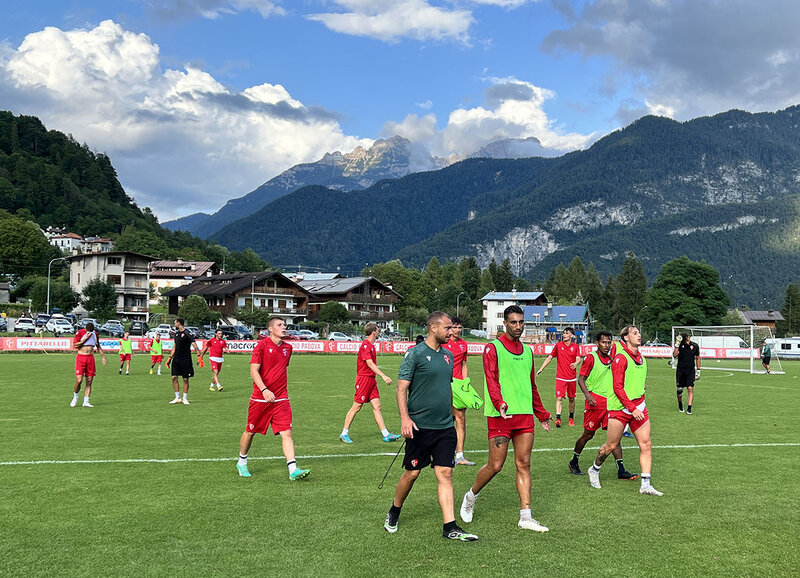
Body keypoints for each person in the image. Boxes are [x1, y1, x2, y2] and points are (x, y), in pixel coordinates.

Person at [384, 312, 477, 542]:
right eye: (447, 328)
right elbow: (401, 389)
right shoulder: (415, 354)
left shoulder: (448, 355)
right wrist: (405, 419)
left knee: (445, 473)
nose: (451, 331)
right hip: (419, 427)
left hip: (445, 427)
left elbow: (445, 387)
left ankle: (450, 526)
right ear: (434, 328)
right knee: (412, 473)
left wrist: (457, 407)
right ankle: (394, 510)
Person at [459, 305, 551, 532]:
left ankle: (526, 516)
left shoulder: (528, 352)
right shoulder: (493, 348)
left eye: (521, 322)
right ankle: (471, 496)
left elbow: (531, 386)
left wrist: (542, 414)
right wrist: (499, 402)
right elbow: (491, 379)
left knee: (524, 464)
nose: (518, 327)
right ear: (505, 323)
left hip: (524, 416)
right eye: (513, 322)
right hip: (500, 416)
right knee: (496, 465)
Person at [587, 325, 663, 496]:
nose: (639, 335)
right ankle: (594, 469)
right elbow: (617, 388)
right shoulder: (620, 358)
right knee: (611, 445)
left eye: (639, 333)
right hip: (620, 408)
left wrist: (640, 401)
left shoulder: (643, 359)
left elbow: (638, 384)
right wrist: (631, 408)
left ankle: (645, 484)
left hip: (639, 406)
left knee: (646, 444)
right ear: (626, 338)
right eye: (634, 333)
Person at [236, 317, 310, 481]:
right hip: (260, 399)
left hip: (281, 398)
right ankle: (242, 461)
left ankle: (293, 469)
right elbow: (254, 371)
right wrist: (264, 390)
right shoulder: (261, 346)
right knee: (250, 432)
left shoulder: (287, 348)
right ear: (270, 329)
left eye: (284, 324)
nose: (284, 327)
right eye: (280, 325)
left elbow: (280, 369)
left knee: (287, 433)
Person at [568, 331, 637, 480]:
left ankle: (621, 470)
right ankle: (574, 461)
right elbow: (581, 379)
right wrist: (588, 395)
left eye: (609, 342)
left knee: (615, 437)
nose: (606, 345)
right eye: (603, 342)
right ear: (597, 343)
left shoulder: (614, 357)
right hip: (595, 403)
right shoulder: (591, 358)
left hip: (611, 403)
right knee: (588, 435)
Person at [340, 322, 400, 444]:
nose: (378, 333)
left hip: (371, 380)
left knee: (377, 406)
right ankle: (344, 433)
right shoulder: (366, 346)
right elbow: (370, 363)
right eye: (377, 331)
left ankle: (386, 434)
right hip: (364, 380)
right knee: (356, 407)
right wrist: (383, 376)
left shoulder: (372, 346)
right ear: (374, 332)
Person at [442, 316, 476, 466]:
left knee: (460, 418)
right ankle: (442, 452)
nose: (457, 330)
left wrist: (465, 382)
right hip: (445, 385)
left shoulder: (463, 344)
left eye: (459, 327)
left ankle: (459, 455)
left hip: (459, 387)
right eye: (454, 327)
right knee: (447, 419)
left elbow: (463, 364)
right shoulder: (444, 343)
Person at [536, 327, 583, 427]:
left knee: (571, 399)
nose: (564, 335)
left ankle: (571, 418)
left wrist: (576, 363)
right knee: (559, 398)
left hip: (571, 378)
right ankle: (558, 419)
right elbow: (550, 357)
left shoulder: (575, 346)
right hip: (560, 377)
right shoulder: (558, 345)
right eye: (564, 333)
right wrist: (541, 368)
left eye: (567, 333)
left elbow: (578, 358)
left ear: (572, 335)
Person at [165, 318, 202, 405]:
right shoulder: (176, 334)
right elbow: (175, 346)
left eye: (175, 322)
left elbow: (194, 345)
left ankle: (185, 398)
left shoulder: (187, 333)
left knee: (185, 379)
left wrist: (199, 356)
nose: (174, 324)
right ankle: (177, 397)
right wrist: (170, 358)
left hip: (186, 359)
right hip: (176, 359)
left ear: (178, 323)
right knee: (174, 377)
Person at [71, 321, 106, 407]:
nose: (90, 333)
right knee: (79, 380)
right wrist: (86, 338)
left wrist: (103, 357)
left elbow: (98, 346)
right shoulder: (80, 333)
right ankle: (75, 397)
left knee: (89, 380)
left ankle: (86, 401)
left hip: (90, 358)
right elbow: (75, 345)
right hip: (81, 357)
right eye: (88, 331)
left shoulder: (95, 334)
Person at [673, 333, 700, 414]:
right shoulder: (680, 345)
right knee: (679, 389)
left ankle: (689, 408)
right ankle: (680, 403)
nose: (687, 339)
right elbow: (674, 355)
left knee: (690, 388)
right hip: (681, 370)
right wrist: (677, 344)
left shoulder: (695, 346)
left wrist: (698, 370)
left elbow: (698, 358)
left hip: (690, 370)